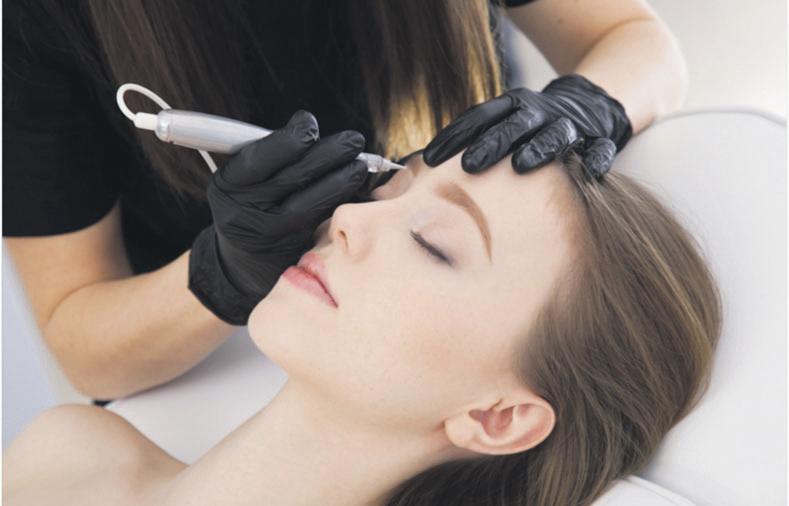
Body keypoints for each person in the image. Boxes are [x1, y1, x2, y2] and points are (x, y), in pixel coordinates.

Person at [2, 0, 688, 406]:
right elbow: (81, 343)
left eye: (436, 243)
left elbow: (635, 38)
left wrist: (592, 102)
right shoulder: (34, 24)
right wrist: (219, 274)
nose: (349, 218)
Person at [3, 147, 722, 506]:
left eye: (433, 244)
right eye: (386, 192)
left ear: (497, 417)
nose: (347, 217)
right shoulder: (72, 454)